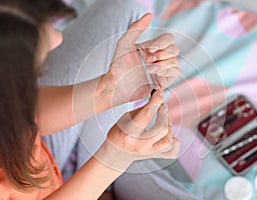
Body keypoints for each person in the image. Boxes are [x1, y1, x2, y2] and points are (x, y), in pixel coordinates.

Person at [0, 0, 181, 199]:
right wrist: (112, 160)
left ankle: (113, 178)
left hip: (39, 161)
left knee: (126, 12)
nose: (58, 39)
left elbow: (26, 115)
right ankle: (112, 181)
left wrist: (109, 89)